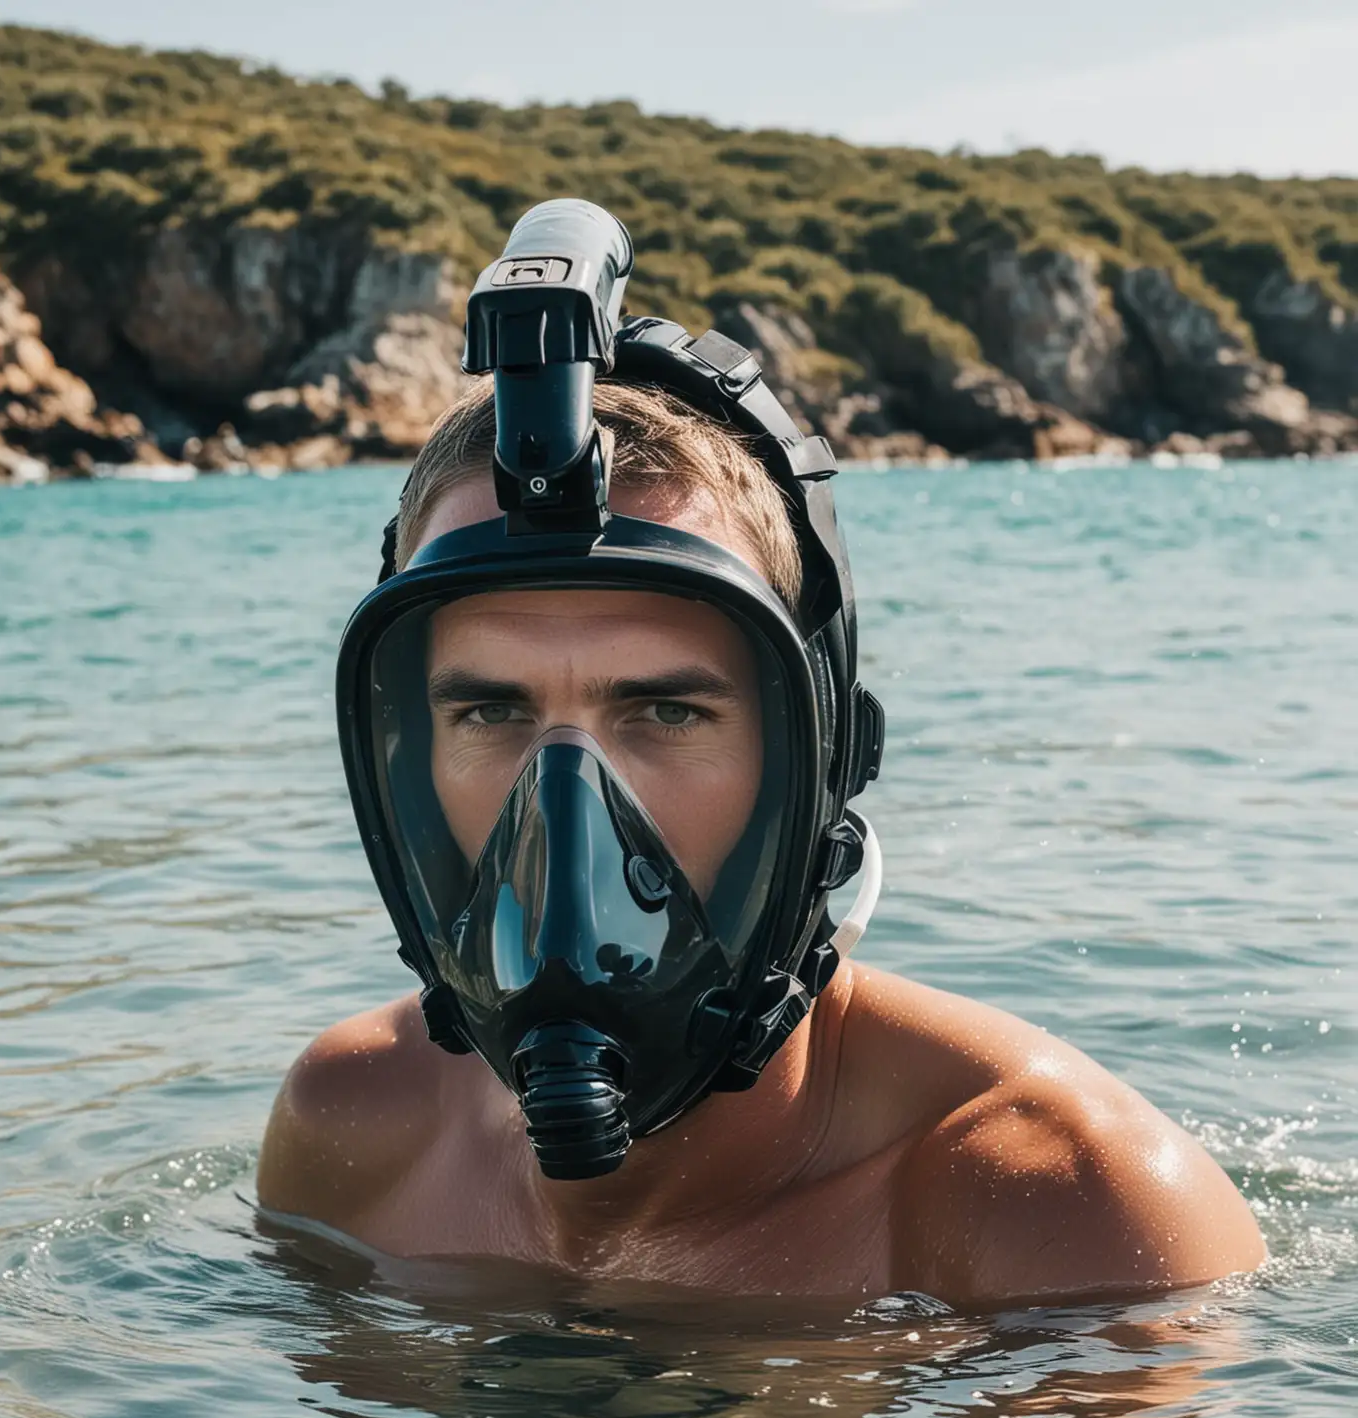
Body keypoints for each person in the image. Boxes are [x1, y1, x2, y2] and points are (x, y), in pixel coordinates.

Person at [257, 200, 1264, 1305]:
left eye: (668, 713)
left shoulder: (1062, 1211)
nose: (566, 808)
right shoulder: (350, 1131)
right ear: (406, 761)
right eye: (490, 713)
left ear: (810, 760)